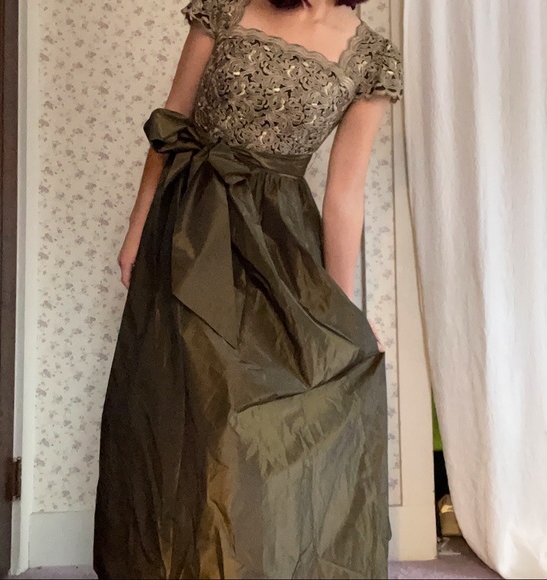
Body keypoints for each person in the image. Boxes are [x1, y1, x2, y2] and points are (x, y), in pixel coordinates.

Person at [93, 0, 403, 577]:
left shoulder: (372, 58)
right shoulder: (227, 6)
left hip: (279, 244)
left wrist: (338, 310)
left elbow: (344, 194)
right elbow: (172, 121)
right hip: (188, 228)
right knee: (184, 412)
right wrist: (137, 229)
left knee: (258, 426)